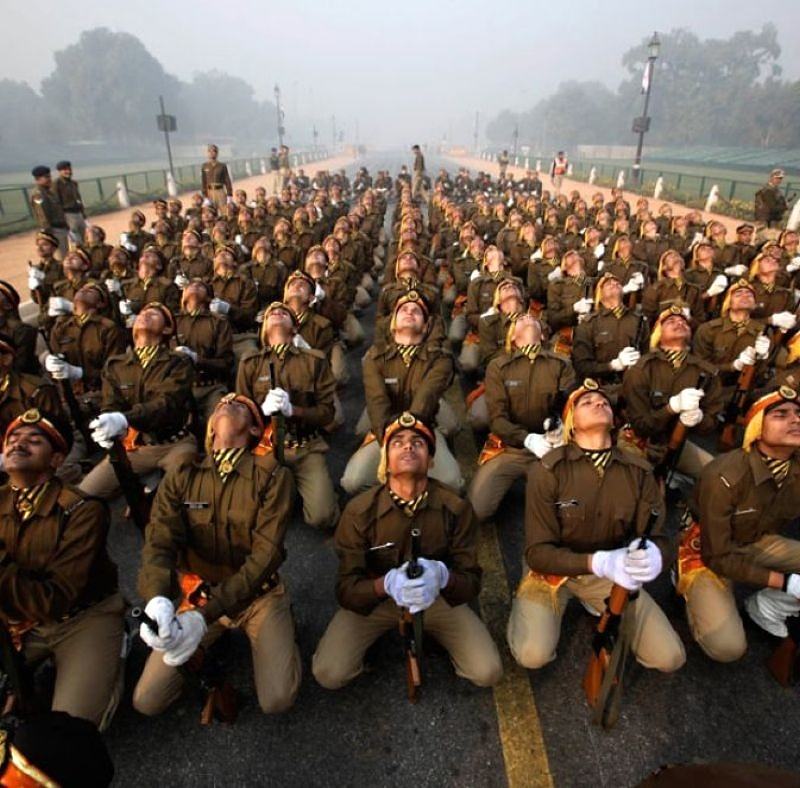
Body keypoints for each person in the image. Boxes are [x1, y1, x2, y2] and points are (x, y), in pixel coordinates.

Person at [133, 393, 301, 716]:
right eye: (221, 404)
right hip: (200, 594)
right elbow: (159, 540)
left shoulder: (273, 477)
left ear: (254, 430)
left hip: (257, 597)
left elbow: (265, 557)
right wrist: (158, 598)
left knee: (278, 698)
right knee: (147, 700)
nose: (227, 402)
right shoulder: (182, 474)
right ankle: (213, 638)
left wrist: (203, 617)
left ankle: (284, 620)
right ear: (210, 428)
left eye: (241, 406)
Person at [313, 412, 503, 690]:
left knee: (487, 671)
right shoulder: (358, 511)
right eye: (397, 442)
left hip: (434, 597)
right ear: (385, 460)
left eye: (418, 442)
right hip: (379, 599)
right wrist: (384, 585)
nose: (408, 446)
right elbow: (346, 589)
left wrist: (441, 576)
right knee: (329, 673)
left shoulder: (455, 508)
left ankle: (438, 637)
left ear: (431, 460)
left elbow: (471, 581)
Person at [506, 379, 685, 674]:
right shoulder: (548, 470)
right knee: (532, 654)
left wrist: (656, 555)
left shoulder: (639, 471)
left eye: (603, 401)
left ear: (614, 419)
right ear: (571, 424)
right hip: (553, 571)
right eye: (585, 403)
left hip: (612, 572)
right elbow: (538, 553)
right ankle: (527, 607)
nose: (598, 403)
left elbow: (658, 537)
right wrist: (598, 562)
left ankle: (596, 601)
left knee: (669, 656)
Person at [0, 408, 125, 728]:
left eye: (34, 440)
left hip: (82, 617)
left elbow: (55, 599)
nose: (18, 443)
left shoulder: (83, 511)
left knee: (72, 729)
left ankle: (118, 645)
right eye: (12, 439)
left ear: (56, 460)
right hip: (19, 621)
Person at [680, 386, 800, 661]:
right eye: (781, 415)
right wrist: (784, 582)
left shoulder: (795, 467)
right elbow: (716, 554)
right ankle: (684, 583)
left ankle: (769, 608)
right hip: (707, 549)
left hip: (756, 538)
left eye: (798, 414)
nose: (795, 419)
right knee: (728, 649)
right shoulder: (726, 474)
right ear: (758, 427)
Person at [236, 301, 339, 530]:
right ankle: (286, 488)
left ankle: (296, 488)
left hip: (305, 447)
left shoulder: (314, 361)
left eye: (285, 312)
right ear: (263, 328)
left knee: (322, 517)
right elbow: (239, 413)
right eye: (271, 312)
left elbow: (327, 413)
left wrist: (295, 411)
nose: (277, 312)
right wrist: (260, 412)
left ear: (294, 327)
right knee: (248, 517)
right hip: (266, 449)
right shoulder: (250, 363)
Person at [79, 302, 197, 501]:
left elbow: (166, 404)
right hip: (135, 447)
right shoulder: (115, 365)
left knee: (184, 493)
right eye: (142, 313)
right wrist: (107, 424)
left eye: (154, 314)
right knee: (83, 496)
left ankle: (157, 490)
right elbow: (111, 406)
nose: (145, 315)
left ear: (167, 329)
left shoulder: (178, 361)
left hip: (175, 444)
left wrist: (123, 419)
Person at [468, 313, 574, 522]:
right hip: (511, 448)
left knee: (573, 510)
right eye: (520, 320)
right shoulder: (499, 366)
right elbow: (497, 419)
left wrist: (558, 432)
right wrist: (527, 439)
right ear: (513, 338)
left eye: (532, 318)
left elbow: (568, 407)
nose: (526, 317)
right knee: (476, 510)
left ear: (543, 335)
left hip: (552, 448)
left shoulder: (562, 364)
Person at [30, 166, 68, 257]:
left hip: (60, 228)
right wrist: (47, 232)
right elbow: (42, 214)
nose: (50, 179)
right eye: (46, 177)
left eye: (49, 176)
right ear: (38, 179)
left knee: (65, 253)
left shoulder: (48, 192)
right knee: (61, 256)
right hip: (53, 230)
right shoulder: (38, 193)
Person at [54, 160, 86, 244]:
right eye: (65, 170)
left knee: (85, 237)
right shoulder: (56, 184)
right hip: (68, 214)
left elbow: (78, 198)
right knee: (75, 240)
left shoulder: (73, 183)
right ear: (59, 172)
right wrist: (62, 218)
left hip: (78, 213)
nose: (68, 171)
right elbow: (56, 203)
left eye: (69, 169)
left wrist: (83, 213)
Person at [201, 144, 233, 208]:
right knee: (210, 211)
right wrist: (205, 196)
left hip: (220, 191)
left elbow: (227, 180)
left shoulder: (222, 166)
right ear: (207, 153)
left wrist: (229, 195)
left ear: (217, 153)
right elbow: (203, 181)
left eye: (214, 151)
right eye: (210, 151)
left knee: (223, 210)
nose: (212, 153)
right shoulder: (205, 166)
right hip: (209, 192)